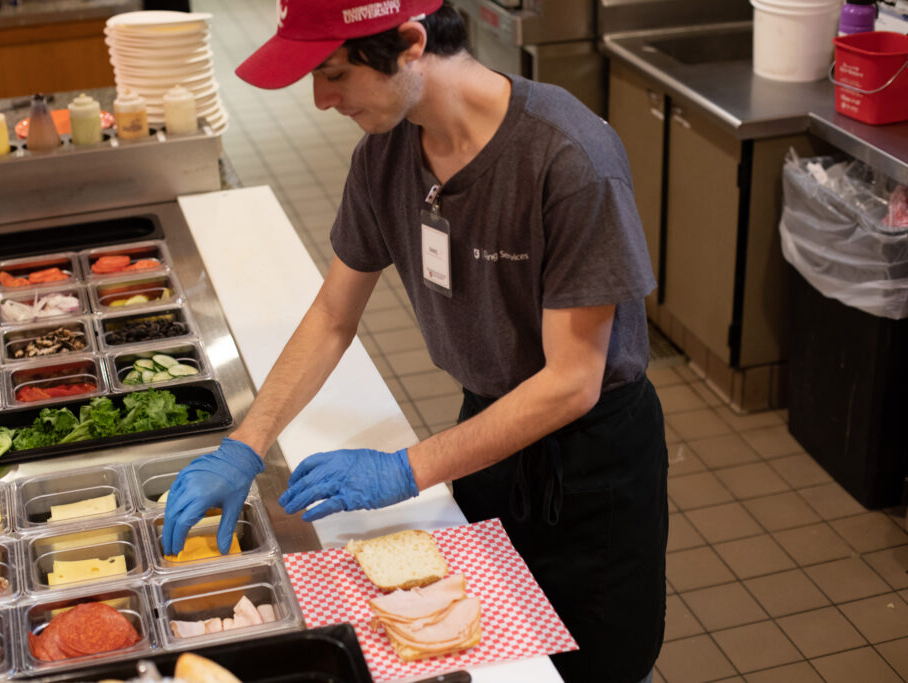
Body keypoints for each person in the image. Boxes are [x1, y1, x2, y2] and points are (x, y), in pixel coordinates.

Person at [162, 2, 668, 681]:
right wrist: (245, 444)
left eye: (335, 74)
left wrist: (403, 470)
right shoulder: (387, 155)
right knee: (494, 654)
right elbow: (334, 315)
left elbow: (571, 382)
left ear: (408, 43)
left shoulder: (568, 158)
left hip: (590, 465)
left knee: (590, 665)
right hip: (489, 431)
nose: (321, 100)